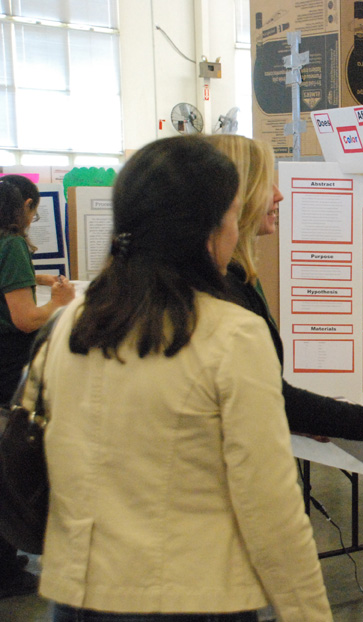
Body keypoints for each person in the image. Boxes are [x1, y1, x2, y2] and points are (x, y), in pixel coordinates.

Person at [28, 136, 332, 621]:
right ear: (206, 230)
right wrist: (308, 613)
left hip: (75, 593)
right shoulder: (232, 336)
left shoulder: (71, 324)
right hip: (188, 597)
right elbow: (270, 505)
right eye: (232, 213)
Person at [205, 134, 363, 459]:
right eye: (266, 184)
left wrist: (295, 419)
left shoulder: (235, 280)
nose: (279, 194)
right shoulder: (220, 292)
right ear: (234, 197)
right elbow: (267, 395)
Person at [0, 174, 75, 598]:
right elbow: (26, 319)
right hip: (8, 364)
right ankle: (5, 570)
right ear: (25, 207)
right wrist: (60, 304)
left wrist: (40, 280)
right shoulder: (12, 244)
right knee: (11, 461)